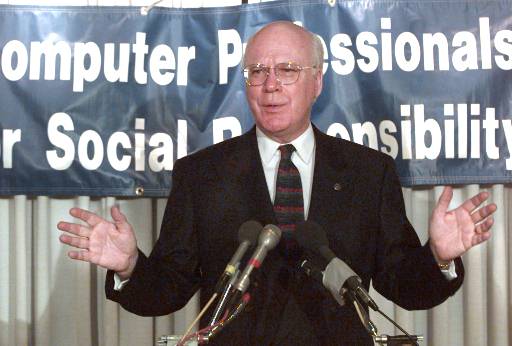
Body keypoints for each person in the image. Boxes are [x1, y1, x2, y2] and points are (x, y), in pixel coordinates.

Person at [58, 21, 497, 345]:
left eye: (287, 69)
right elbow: (170, 287)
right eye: (257, 71)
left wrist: (438, 257)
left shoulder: (369, 172)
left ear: (316, 81)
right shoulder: (201, 174)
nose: (270, 86)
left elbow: (402, 284)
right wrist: (131, 266)